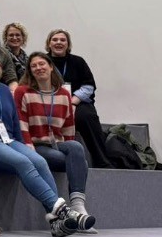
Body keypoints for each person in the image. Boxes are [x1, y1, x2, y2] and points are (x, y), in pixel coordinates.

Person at [0, 48, 95, 237]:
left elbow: (14, 122)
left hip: (8, 140)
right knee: (23, 162)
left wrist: (20, 144)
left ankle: (57, 221)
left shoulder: (5, 90)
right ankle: (62, 212)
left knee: (39, 161)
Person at [15, 51, 95, 223]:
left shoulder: (63, 94)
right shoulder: (23, 92)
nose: (38, 68)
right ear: (29, 71)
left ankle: (77, 205)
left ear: (51, 67)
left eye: (42, 64)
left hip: (57, 144)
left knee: (76, 148)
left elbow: (68, 126)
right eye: (34, 66)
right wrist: (28, 144)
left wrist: (71, 150)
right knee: (80, 163)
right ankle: (66, 212)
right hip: (36, 146)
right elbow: (20, 121)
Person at [46, 29, 113, 169]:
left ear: (68, 44)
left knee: (86, 116)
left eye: (62, 40)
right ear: (49, 43)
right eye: (55, 39)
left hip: (76, 101)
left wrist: (72, 102)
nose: (59, 42)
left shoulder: (78, 61)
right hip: (47, 102)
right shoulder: (42, 61)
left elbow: (89, 86)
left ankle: (102, 161)